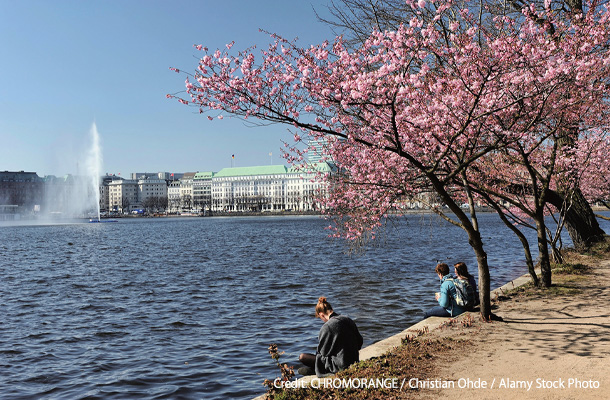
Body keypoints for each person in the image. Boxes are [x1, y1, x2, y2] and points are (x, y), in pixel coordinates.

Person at [298, 297, 363, 377]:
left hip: (339, 365)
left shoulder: (328, 326)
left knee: (303, 357)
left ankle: (315, 370)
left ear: (321, 315)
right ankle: (313, 370)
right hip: (353, 360)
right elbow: (360, 342)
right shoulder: (348, 319)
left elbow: (322, 353)